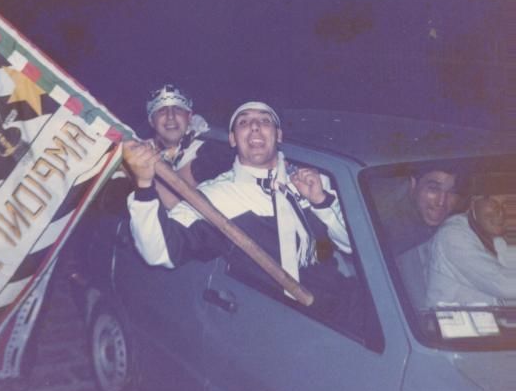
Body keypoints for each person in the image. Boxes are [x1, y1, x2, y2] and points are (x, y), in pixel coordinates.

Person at [124, 101, 355, 318]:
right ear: (233, 139)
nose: (254, 126)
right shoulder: (216, 197)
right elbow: (159, 252)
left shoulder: (315, 180)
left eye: (264, 121)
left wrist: (321, 202)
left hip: (340, 306)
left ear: (279, 135)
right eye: (243, 122)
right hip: (280, 317)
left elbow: (351, 245)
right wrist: (144, 186)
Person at [379, 163, 463, 307]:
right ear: (413, 184)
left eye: (451, 192)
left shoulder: (455, 221)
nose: (441, 202)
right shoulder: (389, 227)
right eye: (433, 189)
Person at [426, 177, 516, 307]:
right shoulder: (453, 236)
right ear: (473, 203)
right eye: (493, 203)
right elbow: (504, 284)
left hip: (487, 317)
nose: (501, 212)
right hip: (449, 320)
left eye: (506, 204)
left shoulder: (496, 240)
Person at [143, 84, 230, 209]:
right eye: (162, 110)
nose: (170, 116)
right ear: (151, 121)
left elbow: (174, 200)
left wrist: (135, 168)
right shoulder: (144, 148)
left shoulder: (211, 150)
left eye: (178, 109)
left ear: (189, 117)